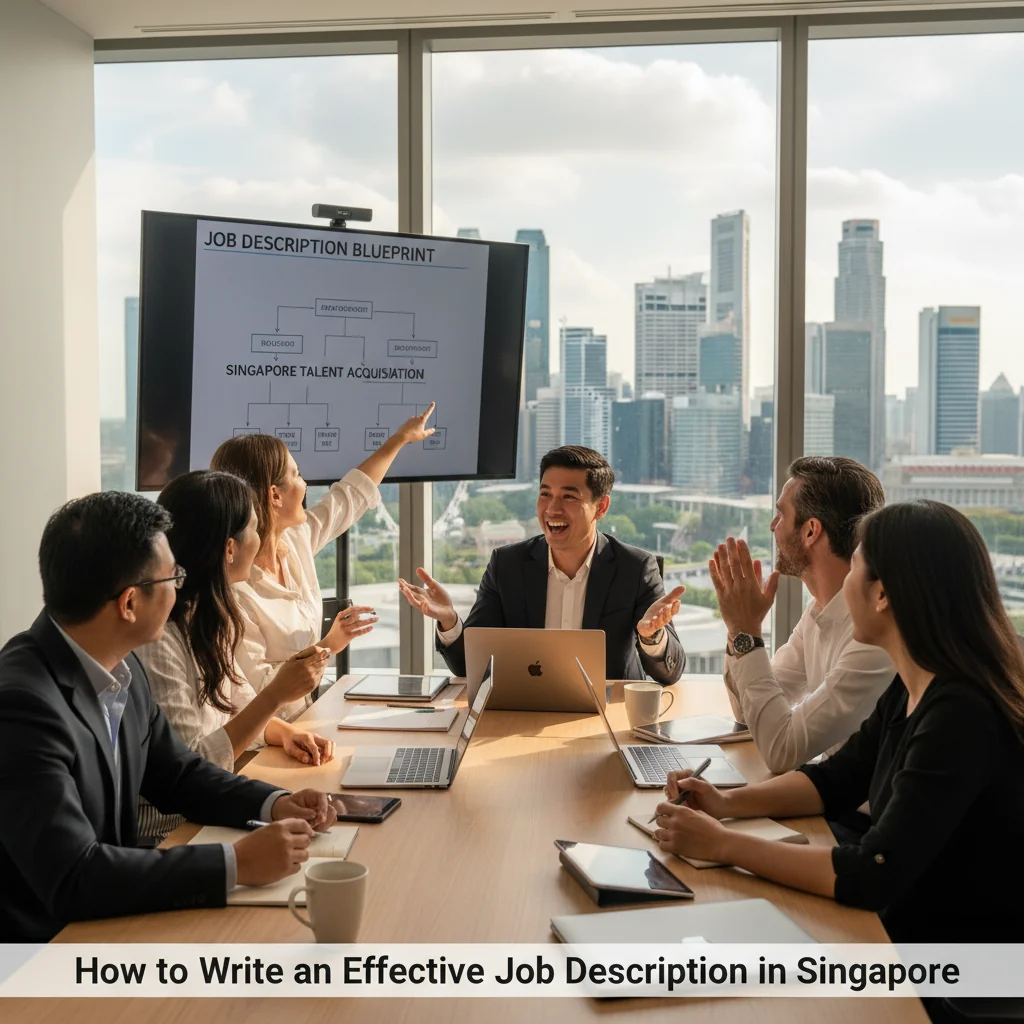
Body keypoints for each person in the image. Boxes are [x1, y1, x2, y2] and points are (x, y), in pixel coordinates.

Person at [654, 500, 1024, 943]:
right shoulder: (914, 684)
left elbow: (874, 872)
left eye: (854, 570)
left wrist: (722, 844)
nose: (844, 583)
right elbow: (836, 779)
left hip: (952, 968)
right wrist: (727, 804)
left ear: (883, 594)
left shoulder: (960, 715)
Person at [0, 492, 338, 942]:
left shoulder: (120, 662)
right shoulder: (22, 707)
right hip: (40, 955)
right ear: (128, 604)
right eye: (172, 577)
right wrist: (235, 863)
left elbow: (178, 773)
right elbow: (74, 876)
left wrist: (272, 803)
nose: (180, 586)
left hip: (107, 920)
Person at [134, 471, 337, 836]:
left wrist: (281, 732)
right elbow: (193, 770)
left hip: (208, 812)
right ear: (230, 548)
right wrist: (276, 696)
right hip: (170, 833)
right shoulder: (159, 640)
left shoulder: (212, 618)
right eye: (256, 530)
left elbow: (234, 707)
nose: (261, 541)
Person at [211, 404, 436, 714]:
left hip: (305, 722)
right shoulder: (233, 589)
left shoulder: (294, 540)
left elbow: (350, 496)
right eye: (297, 474)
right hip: (266, 740)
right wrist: (327, 646)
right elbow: (257, 694)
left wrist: (398, 440)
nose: (305, 485)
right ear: (275, 495)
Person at [399, 446, 685, 684]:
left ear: (601, 507)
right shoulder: (507, 565)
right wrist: (449, 621)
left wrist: (652, 636)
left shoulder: (635, 568)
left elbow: (670, 673)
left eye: (569, 497)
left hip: (607, 718)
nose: (552, 509)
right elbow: (468, 667)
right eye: (545, 494)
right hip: (522, 715)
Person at [709, 456, 894, 773]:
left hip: (855, 818)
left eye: (780, 513)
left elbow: (782, 750)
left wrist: (746, 631)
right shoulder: (819, 611)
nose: (772, 525)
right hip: (827, 803)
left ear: (810, 531)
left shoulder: (873, 635)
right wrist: (736, 631)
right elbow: (748, 713)